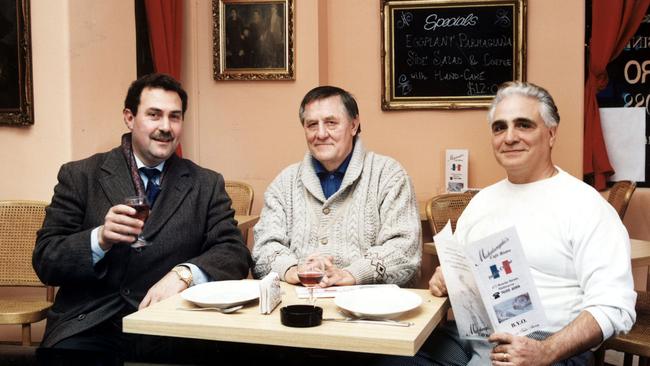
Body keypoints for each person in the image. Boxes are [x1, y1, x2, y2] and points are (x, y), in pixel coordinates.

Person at [33, 73, 252, 363]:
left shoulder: (205, 183)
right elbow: (46, 260)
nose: (165, 127)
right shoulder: (81, 175)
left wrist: (184, 275)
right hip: (92, 325)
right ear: (129, 117)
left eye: (175, 117)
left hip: (173, 325)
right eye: (154, 115)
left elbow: (233, 252)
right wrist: (99, 239)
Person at [420, 81, 636, 366]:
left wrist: (545, 351)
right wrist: (445, 278)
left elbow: (614, 306)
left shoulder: (586, 206)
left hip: (548, 344)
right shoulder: (481, 202)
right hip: (472, 337)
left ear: (551, 133)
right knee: (385, 360)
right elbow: (459, 271)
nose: (509, 137)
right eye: (500, 127)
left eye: (523, 125)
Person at [252, 86, 421, 288]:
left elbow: (405, 250)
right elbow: (263, 248)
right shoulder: (283, 183)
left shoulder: (389, 176)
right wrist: (292, 270)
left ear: (354, 125)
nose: (321, 134)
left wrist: (352, 274)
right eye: (312, 125)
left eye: (331, 123)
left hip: (370, 308)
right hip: (298, 306)